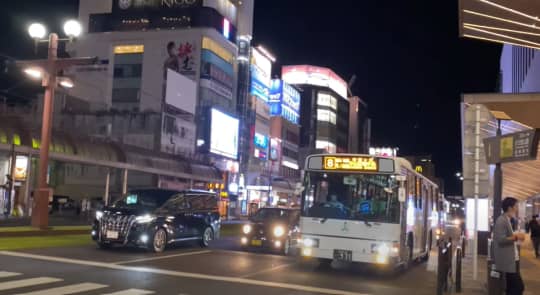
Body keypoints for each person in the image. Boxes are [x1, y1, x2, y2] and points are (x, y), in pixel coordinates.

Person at [493, 197, 526, 295]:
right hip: (508, 261)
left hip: (511, 260)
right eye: (516, 206)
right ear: (509, 207)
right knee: (518, 287)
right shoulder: (501, 220)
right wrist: (516, 237)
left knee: (512, 287)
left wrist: (515, 236)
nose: (517, 209)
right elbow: (500, 239)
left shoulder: (507, 220)